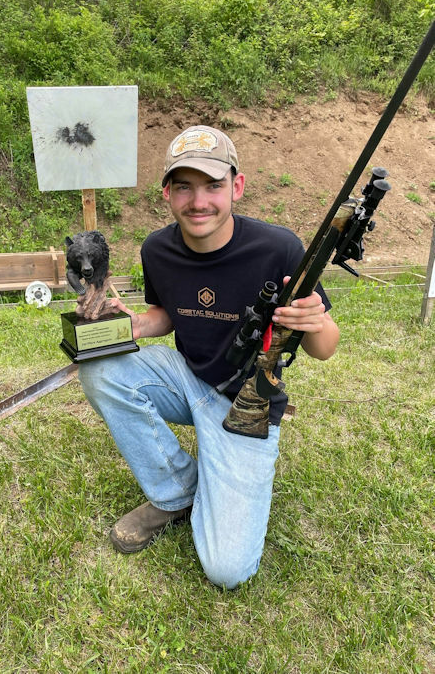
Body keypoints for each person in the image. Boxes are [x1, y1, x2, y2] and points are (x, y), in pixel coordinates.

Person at [78, 125, 339, 589]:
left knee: (227, 570)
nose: (199, 202)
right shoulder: (157, 248)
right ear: (167, 193)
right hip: (188, 378)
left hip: (248, 403)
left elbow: (325, 349)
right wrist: (136, 323)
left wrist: (315, 321)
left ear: (236, 187)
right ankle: (176, 492)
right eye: (185, 187)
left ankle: (221, 483)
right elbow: (169, 313)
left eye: (213, 186)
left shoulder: (279, 248)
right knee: (99, 365)